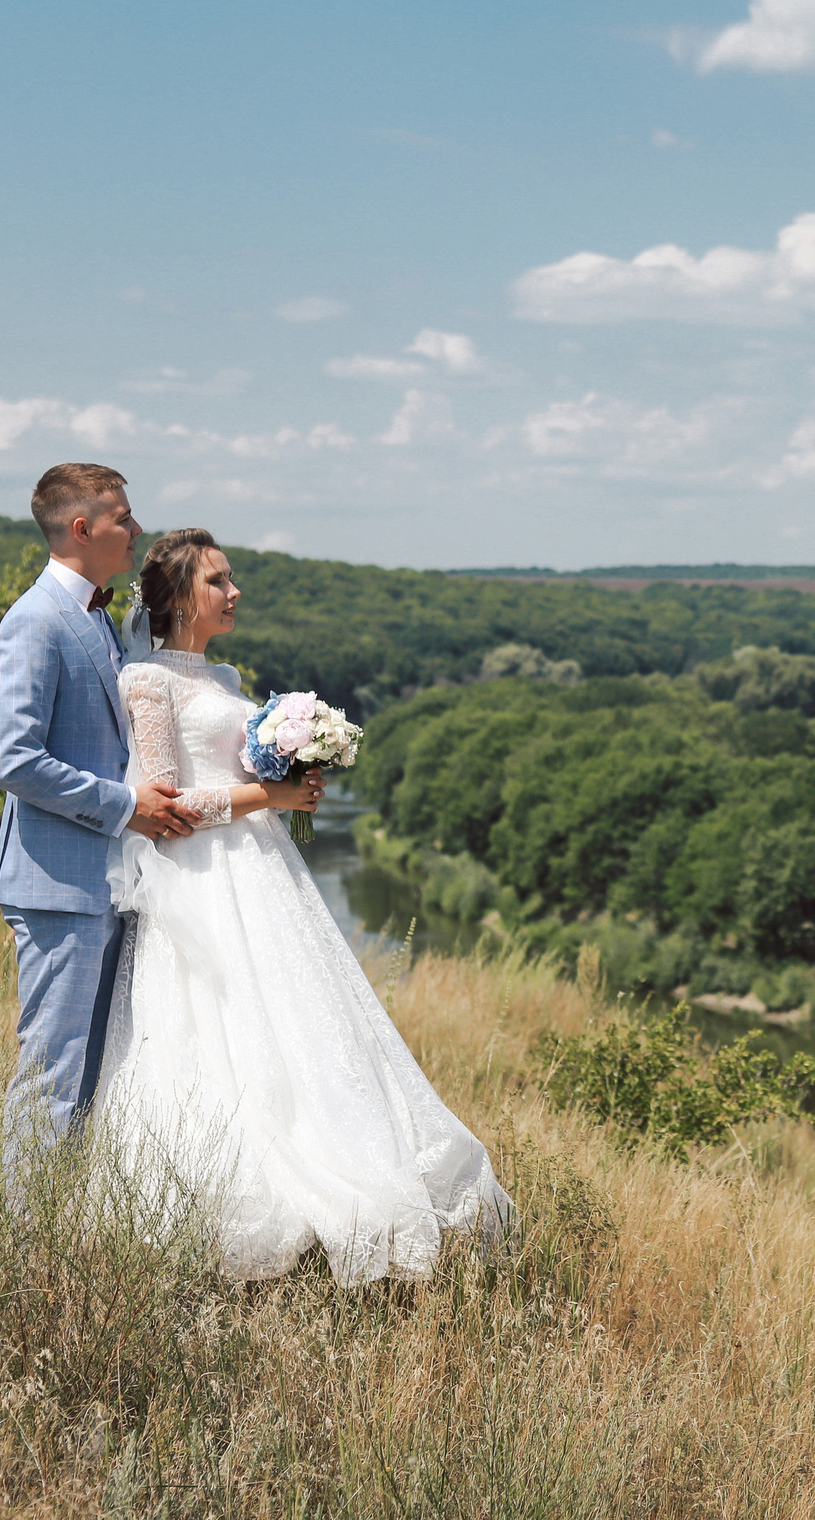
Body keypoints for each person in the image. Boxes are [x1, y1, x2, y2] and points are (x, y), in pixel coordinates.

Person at [93, 527, 511, 1284]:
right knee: (212, 1033)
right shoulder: (145, 682)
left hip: (259, 867)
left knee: (298, 1024)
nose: (234, 591)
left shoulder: (221, 672)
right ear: (183, 595)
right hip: (199, 880)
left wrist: (292, 771)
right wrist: (271, 793)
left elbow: (235, 770)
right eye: (219, 580)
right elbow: (167, 799)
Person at [0, 463, 198, 1193]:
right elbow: (12, 758)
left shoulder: (96, 618)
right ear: (82, 528)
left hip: (106, 884)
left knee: (92, 1076)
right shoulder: (34, 620)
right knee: (53, 1071)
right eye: (122, 518)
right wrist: (123, 804)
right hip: (56, 884)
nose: (135, 529)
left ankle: (64, 1232)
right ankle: (24, 1250)